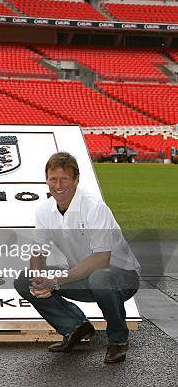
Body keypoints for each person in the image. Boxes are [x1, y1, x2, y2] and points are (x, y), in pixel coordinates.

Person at [14, 152, 140, 364]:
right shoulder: (44, 210)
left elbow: (101, 259)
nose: (58, 185)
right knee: (24, 280)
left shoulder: (93, 207)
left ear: (76, 180)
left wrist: (54, 281)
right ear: (46, 180)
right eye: (53, 179)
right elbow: (38, 251)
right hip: (83, 276)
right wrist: (38, 279)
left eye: (64, 179)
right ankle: (75, 326)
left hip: (121, 276)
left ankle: (118, 340)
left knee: (100, 277)